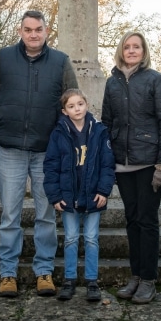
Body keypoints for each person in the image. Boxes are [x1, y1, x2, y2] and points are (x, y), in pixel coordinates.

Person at [0, 10, 79, 297]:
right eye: (28, 29)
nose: (33, 34)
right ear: (20, 31)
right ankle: (8, 273)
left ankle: (44, 271)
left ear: (47, 31)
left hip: (47, 151)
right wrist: (3, 118)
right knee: (10, 215)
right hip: (10, 149)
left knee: (46, 215)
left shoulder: (60, 62)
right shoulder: (3, 57)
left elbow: (72, 98)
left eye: (38, 29)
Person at [101, 31, 161, 304]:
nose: (131, 51)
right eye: (127, 47)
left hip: (148, 163)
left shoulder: (156, 80)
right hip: (122, 163)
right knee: (131, 220)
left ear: (144, 52)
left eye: (137, 47)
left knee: (147, 220)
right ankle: (135, 275)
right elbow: (106, 123)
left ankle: (148, 279)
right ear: (121, 51)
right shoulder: (112, 83)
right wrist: (106, 161)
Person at [43, 89, 115, 302]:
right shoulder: (58, 133)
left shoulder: (99, 131)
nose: (77, 109)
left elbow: (107, 164)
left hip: (93, 194)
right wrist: (55, 196)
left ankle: (92, 280)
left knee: (92, 238)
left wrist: (104, 190)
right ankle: (69, 279)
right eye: (72, 106)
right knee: (71, 238)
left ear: (87, 104)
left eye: (80, 104)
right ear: (65, 111)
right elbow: (51, 166)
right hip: (69, 195)